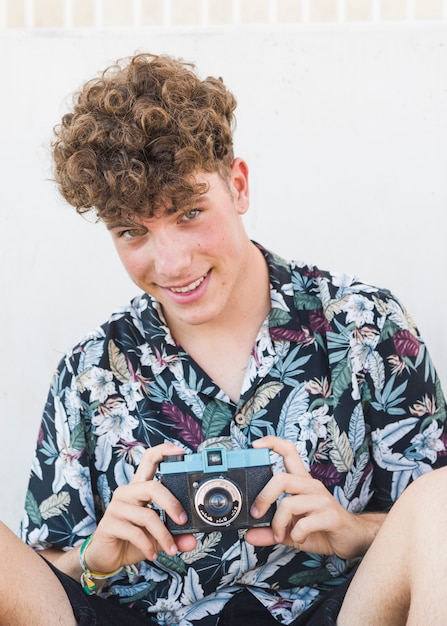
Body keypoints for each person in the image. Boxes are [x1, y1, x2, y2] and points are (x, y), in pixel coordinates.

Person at [2, 52, 447, 626]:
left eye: (189, 213)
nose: (172, 262)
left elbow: (430, 529)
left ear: (237, 185)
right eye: (133, 231)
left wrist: (351, 531)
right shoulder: (90, 371)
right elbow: (37, 578)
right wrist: (98, 556)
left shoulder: (364, 324)